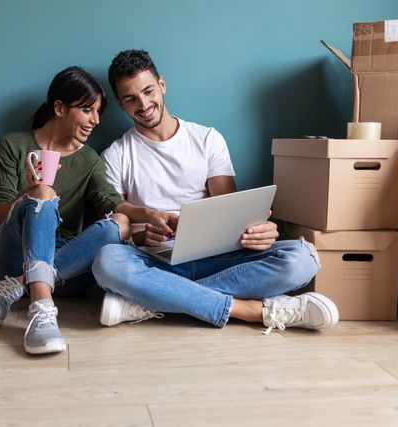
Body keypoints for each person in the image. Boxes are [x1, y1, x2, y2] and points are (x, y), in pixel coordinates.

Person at [91, 50, 339, 334]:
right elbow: (117, 227)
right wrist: (140, 234)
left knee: (303, 258)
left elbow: (229, 210)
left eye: (148, 91)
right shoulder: (115, 155)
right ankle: (252, 311)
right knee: (107, 261)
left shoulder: (207, 138)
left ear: (162, 84)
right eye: (130, 99)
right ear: (121, 104)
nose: (144, 104)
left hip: (219, 261)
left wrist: (259, 230)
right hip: (156, 263)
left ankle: (150, 304)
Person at [0, 66, 158, 355]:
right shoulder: (13, 145)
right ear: (59, 108)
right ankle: (42, 308)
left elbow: (111, 202)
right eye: (87, 110)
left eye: (98, 112)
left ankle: (18, 288)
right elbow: (0, 216)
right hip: (8, 255)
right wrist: (34, 191)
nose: (95, 121)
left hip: (68, 268)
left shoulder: (90, 161)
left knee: (120, 223)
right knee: (45, 192)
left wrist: (148, 215)